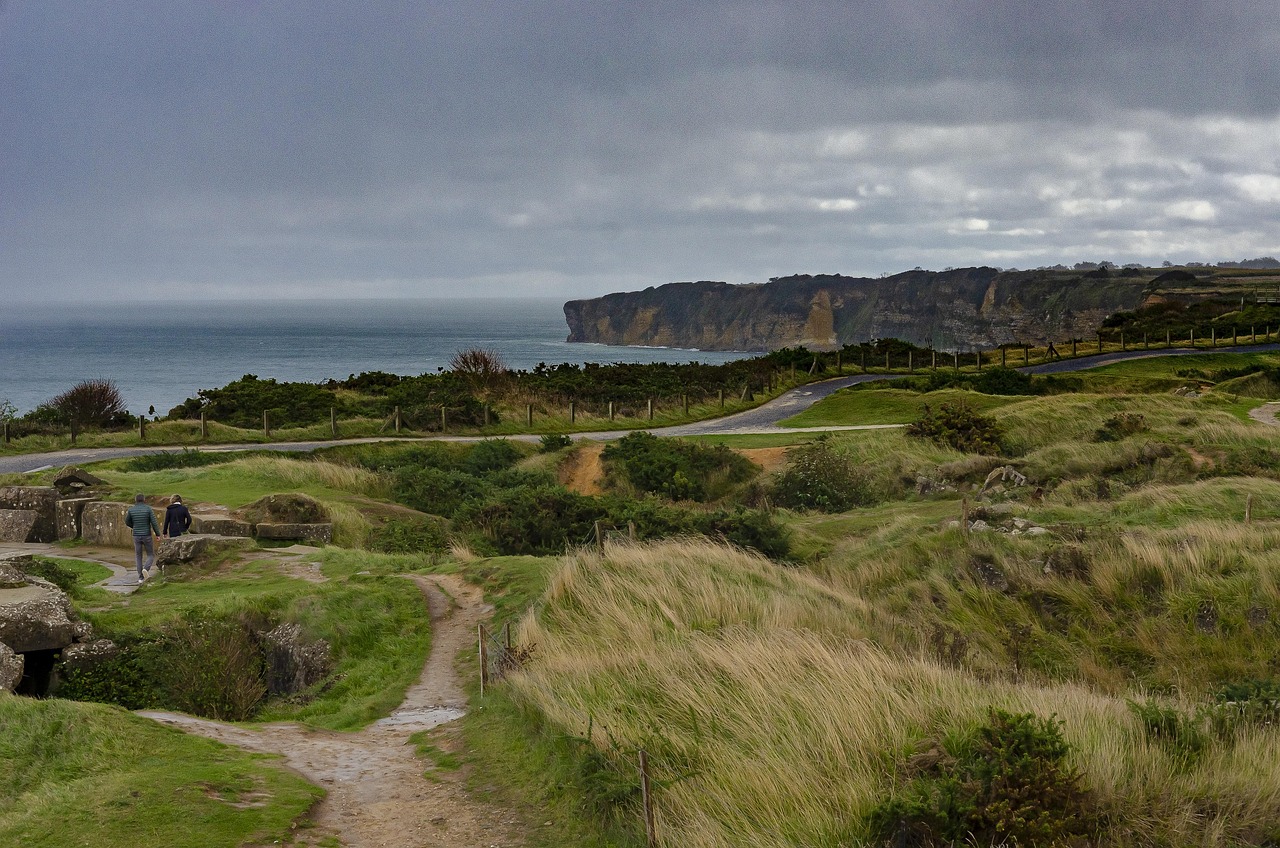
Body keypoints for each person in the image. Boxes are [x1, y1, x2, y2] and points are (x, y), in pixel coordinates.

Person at [124, 493, 160, 584]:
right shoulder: (148, 509)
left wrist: (134, 526)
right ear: (144, 500)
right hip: (147, 534)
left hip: (136, 535)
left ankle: (140, 577)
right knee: (151, 555)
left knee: (138, 556)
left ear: (135, 500)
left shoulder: (131, 510)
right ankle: (146, 569)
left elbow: (127, 522)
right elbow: (154, 522)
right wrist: (157, 534)